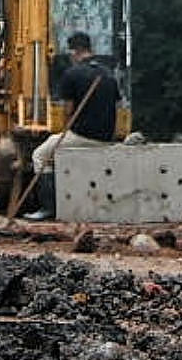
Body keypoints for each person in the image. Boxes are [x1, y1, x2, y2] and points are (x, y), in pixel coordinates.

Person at [20, 32, 122, 220]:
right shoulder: (108, 75)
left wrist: (64, 133)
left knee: (40, 155)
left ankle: (48, 208)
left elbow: (68, 111)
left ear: (75, 52)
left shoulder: (72, 74)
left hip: (82, 136)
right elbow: (114, 108)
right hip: (106, 138)